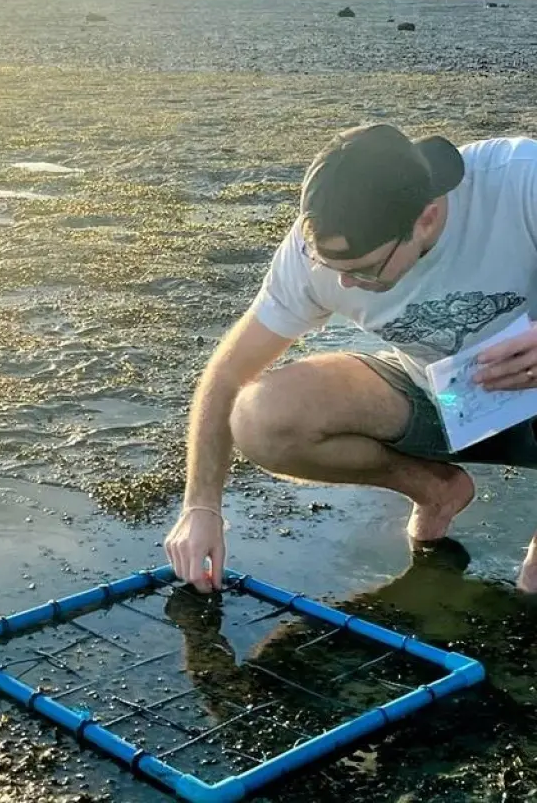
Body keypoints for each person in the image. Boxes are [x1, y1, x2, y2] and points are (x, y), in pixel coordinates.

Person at [165, 123, 537, 595]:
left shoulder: (520, 180)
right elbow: (229, 371)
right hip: (441, 395)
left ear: (425, 218)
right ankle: (436, 489)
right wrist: (200, 506)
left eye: (363, 269)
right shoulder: (315, 250)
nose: (344, 286)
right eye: (331, 268)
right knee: (261, 416)